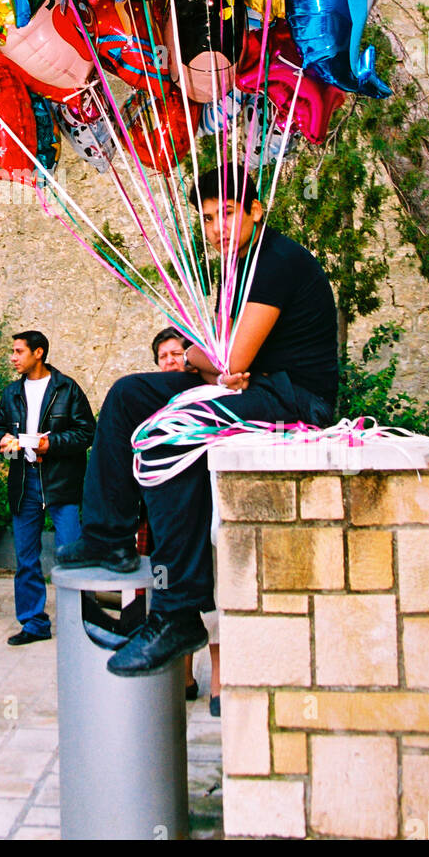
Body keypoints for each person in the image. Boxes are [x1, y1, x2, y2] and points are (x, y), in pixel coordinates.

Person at [57, 168, 338, 681]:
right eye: (207, 218)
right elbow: (223, 365)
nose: (216, 227)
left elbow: (229, 355)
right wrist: (208, 361)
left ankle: (177, 610)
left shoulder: (275, 262)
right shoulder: (236, 271)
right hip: (254, 389)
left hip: (296, 399)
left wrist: (199, 356)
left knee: (174, 429)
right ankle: (109, 537)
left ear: (255, 210)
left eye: (227, 212)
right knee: (128, 396)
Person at [0, 330, 96, 645]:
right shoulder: (11, 393)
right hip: (24, 482)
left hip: (61, 482)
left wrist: (51, 444)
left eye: (19, 351)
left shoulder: (67, 388)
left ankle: (79, 622)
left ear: (38, 353)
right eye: (13, 351)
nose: (13, 357)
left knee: (71, 553)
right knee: (26, 557)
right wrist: (2, 441)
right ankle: (34, 623)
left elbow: (86, 433)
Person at [149, 331, 219, 710]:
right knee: (167, 590)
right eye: (164, 355)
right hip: (163, 523)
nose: (171, 361)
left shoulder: (211, 399)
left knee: (213, 595)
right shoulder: (149, 401)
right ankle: (184, 676)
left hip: (204, 512)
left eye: (177, 353)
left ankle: (221, 682)